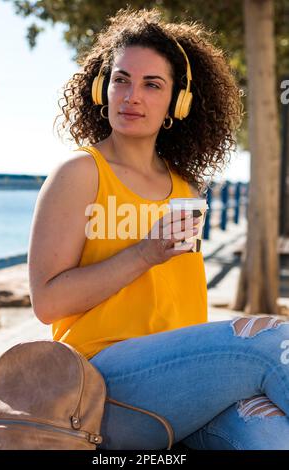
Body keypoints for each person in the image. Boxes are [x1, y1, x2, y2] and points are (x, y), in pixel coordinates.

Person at [28, 7, 289, 450]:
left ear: (178, 102)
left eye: (153, 85)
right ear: (101, 88)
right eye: (122, 79)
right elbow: (48, 303)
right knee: (269, 338)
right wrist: (143, 254)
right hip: (99, 381)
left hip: (184, 382)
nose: (132, 96)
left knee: (272, 436)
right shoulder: (80, 173)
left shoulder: (185, 187)